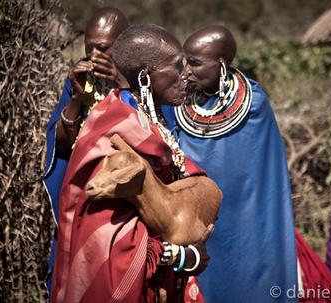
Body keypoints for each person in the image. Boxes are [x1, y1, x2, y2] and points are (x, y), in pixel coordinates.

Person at [51, 24, 216, 303]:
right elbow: (104, 233)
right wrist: (176, 254)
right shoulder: (112, 128)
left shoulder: (150, 119)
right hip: (132, 278)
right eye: (176, 67)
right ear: (145, 76)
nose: (185, 75)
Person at [163, 25, 298, 302]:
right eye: (185, 62)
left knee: (249, 282)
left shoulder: (254, 105)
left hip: (246, 218)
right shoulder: (179, 104)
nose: (186, 71)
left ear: (222, 64)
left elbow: (263, 175)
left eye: (196, 63)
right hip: (199, 217)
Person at [43, 7, 129, 292]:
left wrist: (122, 84)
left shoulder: (143, 74)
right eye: (88, 47)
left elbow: (158, 134)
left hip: (130, 200)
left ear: (123, 44)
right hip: (86, 195)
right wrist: (76, 101)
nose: (93, 56)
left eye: (102, 49)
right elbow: (63, 146)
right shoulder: (81, 77)